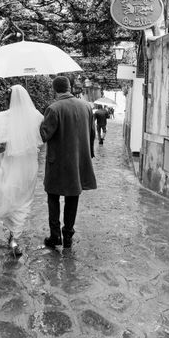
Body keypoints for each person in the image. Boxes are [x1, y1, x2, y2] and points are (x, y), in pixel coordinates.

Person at [0, 84, 44, 257]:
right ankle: (14, 238)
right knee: (22, 200)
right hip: (28, 166)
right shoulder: (36, 116)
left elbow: (3, 145)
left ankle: (10, 232)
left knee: (7, 195)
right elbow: (39, 141)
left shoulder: (1, 117)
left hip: (9, 163)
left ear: (8, 99)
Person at [40, 76, 97, 249]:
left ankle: (55, 235)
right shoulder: (86, 106)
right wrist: (89, 154)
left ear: (54, 89)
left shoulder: (53, 108)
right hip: (78, 160)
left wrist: (41, 121)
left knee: (53, 197)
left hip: (57, 162)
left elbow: (44, 134)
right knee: (73, 196)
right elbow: (92, 133)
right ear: (69, 87)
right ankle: (68, 236)